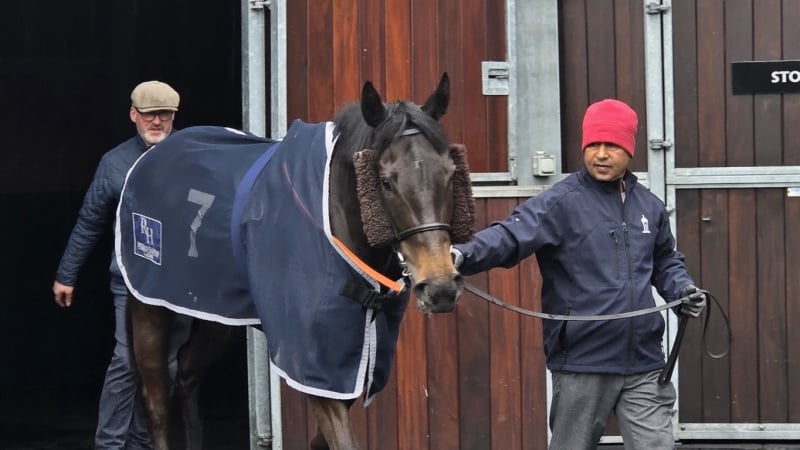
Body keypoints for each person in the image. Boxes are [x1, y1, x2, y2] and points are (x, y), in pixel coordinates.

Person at [452, 98, 706, 450]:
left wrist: (682, 289)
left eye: (612, 145)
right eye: (593, 145)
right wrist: (459, 255)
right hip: (583, 362)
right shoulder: (561, 202)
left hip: (644, 362)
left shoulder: (650, 206)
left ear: (629, 150)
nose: (601, 154)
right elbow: (510, 235)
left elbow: (665, 261)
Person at [53, 80, 183, 449]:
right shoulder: (114, 163)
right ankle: (109, 444)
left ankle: (143, 440)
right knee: (128, 361)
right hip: (131, 281)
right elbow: (90, 221)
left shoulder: (192, 155)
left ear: (174, 116)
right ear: (133, 115)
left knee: (167, 366)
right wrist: (66, 275)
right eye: (148, 114)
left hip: (180, 283)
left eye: (164, 114)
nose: (156, 121)